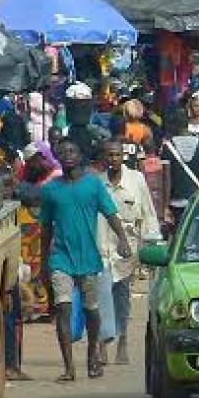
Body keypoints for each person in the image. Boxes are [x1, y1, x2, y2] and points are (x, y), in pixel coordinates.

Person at [39, 140, 132, 382]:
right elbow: (45, 229)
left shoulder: (93, 185)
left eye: (72, 151)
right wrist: (43, 263)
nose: (67, 156)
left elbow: (111, 214)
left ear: (80, 156)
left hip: (89, 258)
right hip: (60, 258)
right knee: (63, 308)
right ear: (57, 158)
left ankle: (92, 357)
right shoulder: (50, 190)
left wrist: (123, 240)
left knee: (91, 310)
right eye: (63, 152)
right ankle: (69, 367)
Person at [96, 138, 160, 366]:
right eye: (109, 155)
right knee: (100, 297)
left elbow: (148, 214)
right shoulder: (96, 183)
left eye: (116, 155)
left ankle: (122, 341)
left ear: (123, 156)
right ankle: (102, 344)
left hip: (126, 252)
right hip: (101, 249)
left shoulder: (136, 180)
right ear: (103, 157)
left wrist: (151, 247)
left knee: (121, 298)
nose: (113, 159)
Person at [161, 108, 199, 228]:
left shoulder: (168, 147)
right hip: (197, 198)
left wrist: (165, 206)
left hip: (176, 202)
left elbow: (166, 179)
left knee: (179, 234)